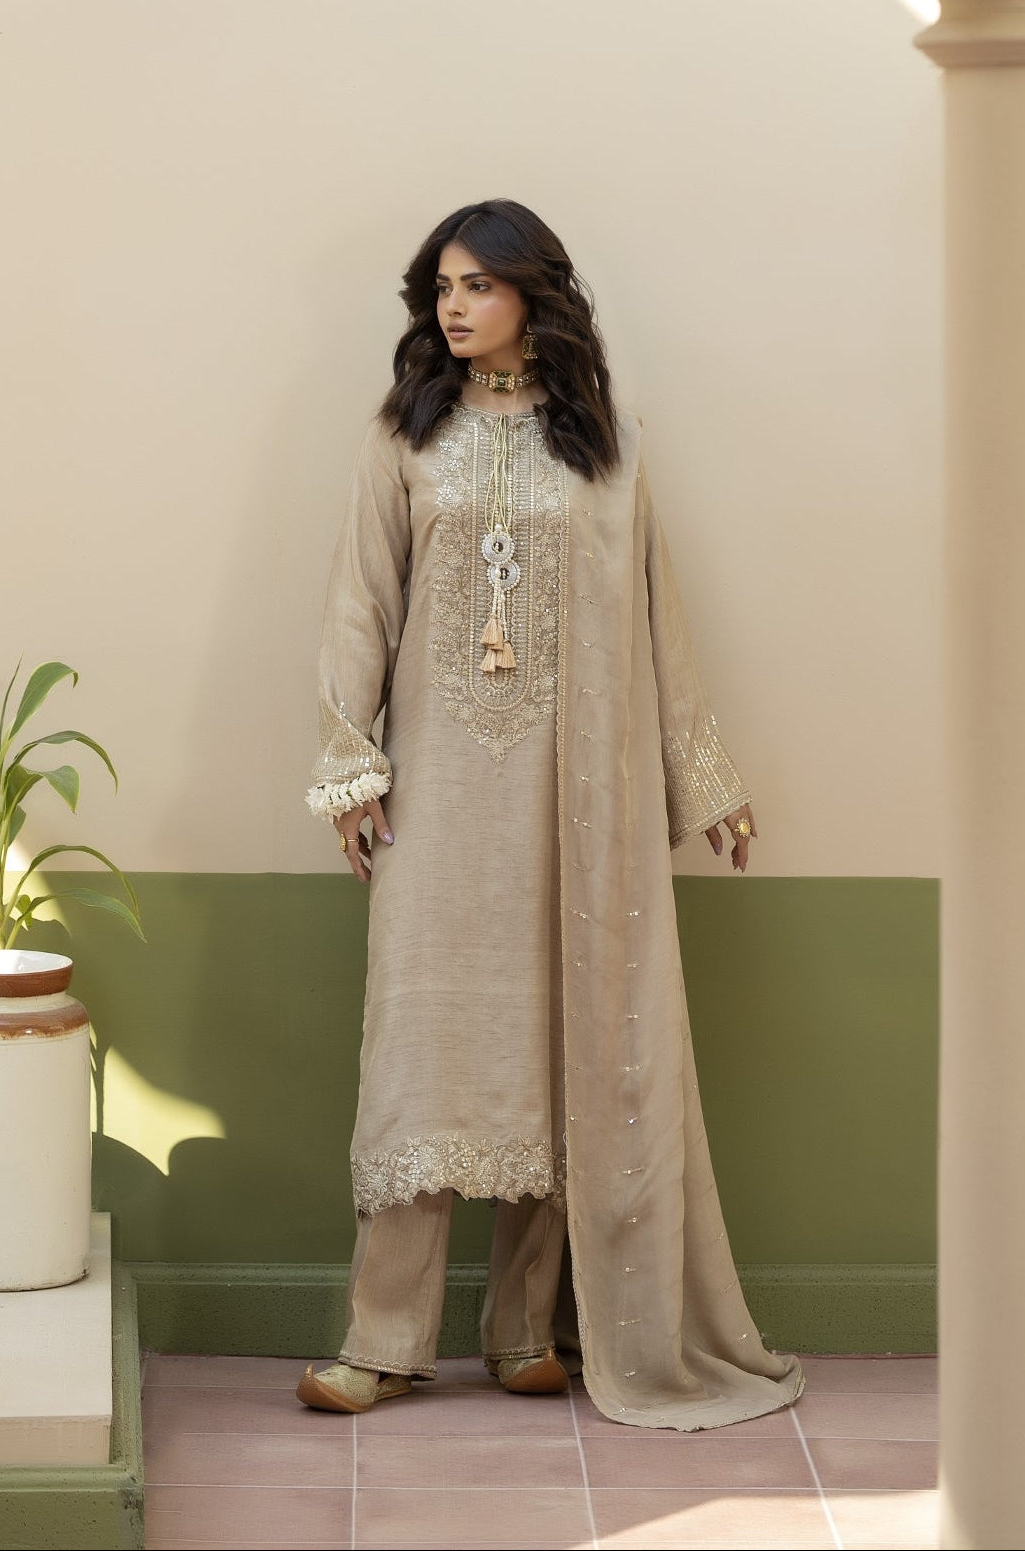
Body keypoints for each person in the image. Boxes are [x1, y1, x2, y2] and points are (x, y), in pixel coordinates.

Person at [297, 199, 803, 1430]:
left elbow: (655, 620)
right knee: (423, 1054)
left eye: (475, 286)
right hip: (438, 797)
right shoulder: (399, 441)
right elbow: (359, 605)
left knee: (561, 1044)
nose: (452, 308)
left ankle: (522, 1327)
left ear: (535, 295)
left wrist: (707, 780)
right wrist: (349, 764)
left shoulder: (606, 446)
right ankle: (383, 1340)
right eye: (440, 290)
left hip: (578, 803)